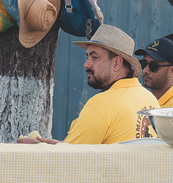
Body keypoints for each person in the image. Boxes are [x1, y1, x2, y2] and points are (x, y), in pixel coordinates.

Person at [24, 25, 157, 145]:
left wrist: (37, 147)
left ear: (117, 63)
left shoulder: (102, 105)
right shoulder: (150, 99)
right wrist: (52, 144)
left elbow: (68, 158)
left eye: (94, 58)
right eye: (87, 57)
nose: (86, 64)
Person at [135, 36, 173, 108]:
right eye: (143, 63)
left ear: (172, 70)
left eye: (153, 66)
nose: (145, 70)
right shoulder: (146, 100)